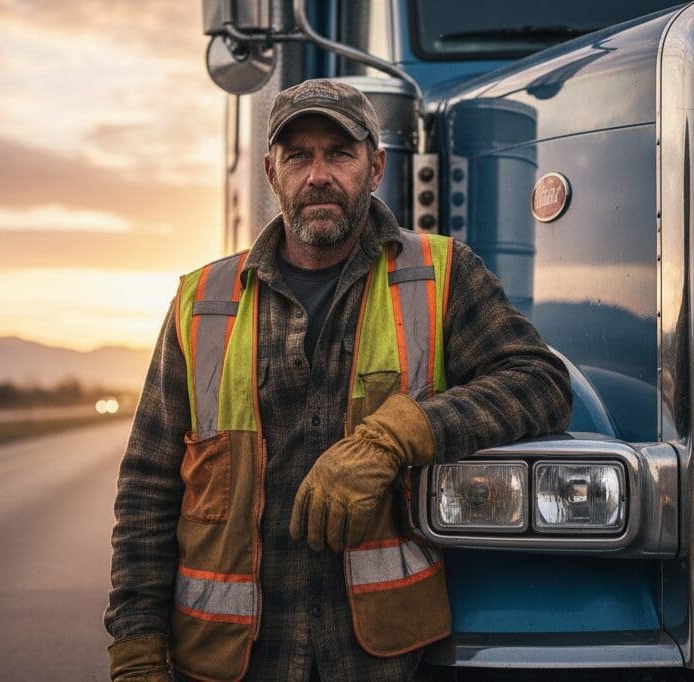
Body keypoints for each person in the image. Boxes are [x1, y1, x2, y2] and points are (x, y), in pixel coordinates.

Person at [104, 78, 572, 681]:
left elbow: (540, 382)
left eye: (340, 154)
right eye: (298, 156)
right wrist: (137, 649)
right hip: (230, 662)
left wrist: (394, 436)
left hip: (380, 660)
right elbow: (147, 488)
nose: (318, 175)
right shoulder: (204, 303)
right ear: (272, 174)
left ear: (375, 168)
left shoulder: (441, 273)